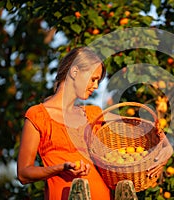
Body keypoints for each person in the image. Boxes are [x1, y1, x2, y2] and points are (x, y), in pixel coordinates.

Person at [17, 46, 111, 200]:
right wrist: (60, 168)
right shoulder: (38, 115)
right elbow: (23, 174)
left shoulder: (94, 114)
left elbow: (129, 141)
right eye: (93, 79)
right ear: (74, 72)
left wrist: (158, 149)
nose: (95, 86)